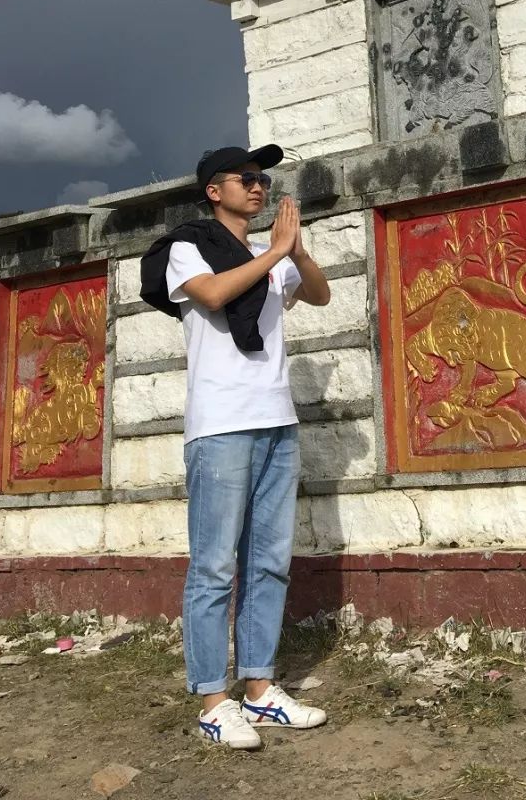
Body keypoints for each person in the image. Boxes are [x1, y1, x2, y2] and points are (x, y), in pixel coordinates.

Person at [140, 143, 332, 750]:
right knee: (214, 566)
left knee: (270, 561)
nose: (257, 186)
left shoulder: (269, 258)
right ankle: (212, 701)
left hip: (277, 420)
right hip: (221, 424)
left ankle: (259, 690)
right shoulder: (189, 247)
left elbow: (320, 294)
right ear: (213, 191)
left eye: (263, 179)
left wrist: (295, 250)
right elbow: (214, 295)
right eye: (245, 177)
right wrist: (274, 252)